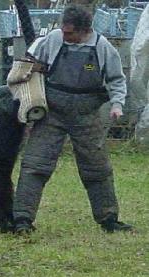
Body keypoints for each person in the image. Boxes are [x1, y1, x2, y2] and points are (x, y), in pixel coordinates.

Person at [11, 5, 133, 233]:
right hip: (52, 114)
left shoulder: (103, 48)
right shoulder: (52, 40)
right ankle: (22, 220)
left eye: (69, 33)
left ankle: (108, 219)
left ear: (85, 30)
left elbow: (117, 81)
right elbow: (27, 63)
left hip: (87, 116)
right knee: (34, 166)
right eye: (63, 30)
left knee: (97, 169)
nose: (64, 36)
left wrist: (117, 105)